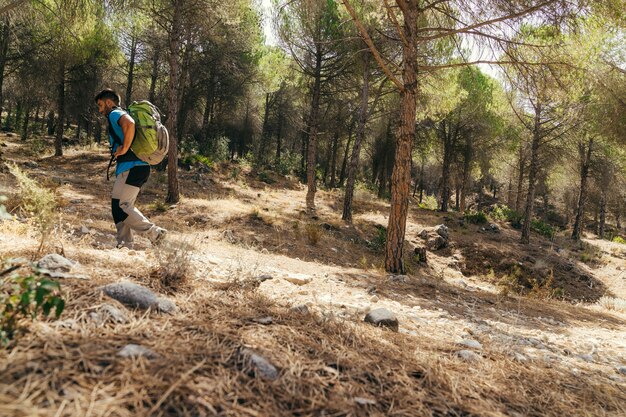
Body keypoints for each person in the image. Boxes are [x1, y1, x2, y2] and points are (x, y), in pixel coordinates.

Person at [94, 88, 167, 249]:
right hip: (133, 167)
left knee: (123, 205)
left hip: (133, 166)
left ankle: (155, 233)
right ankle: (124, 244)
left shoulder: (114, 113)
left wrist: (125, 148)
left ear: (108, 102)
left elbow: (130, 123)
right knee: (117, 206)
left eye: (100, 105)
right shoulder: (117, 113)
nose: (99, 110)